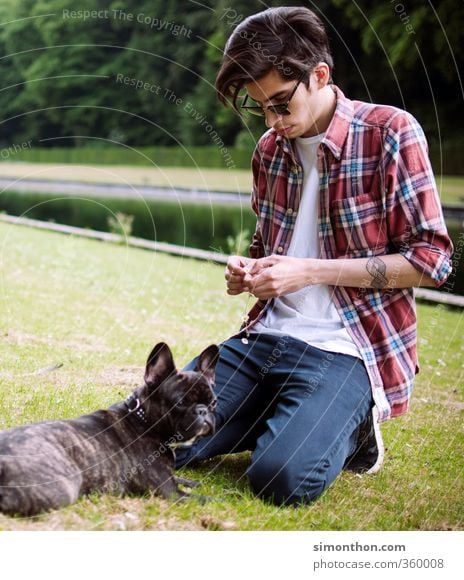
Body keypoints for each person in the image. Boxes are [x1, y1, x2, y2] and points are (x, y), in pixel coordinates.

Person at [174, 6, 453, 506]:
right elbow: (271, 248)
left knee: (281, 479)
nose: (274, 121)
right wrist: (250, 270)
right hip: (265, 336)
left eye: (281, 103)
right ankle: (280, 410)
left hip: (348, 348)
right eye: (261, 108)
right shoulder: (269, 150)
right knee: (153, 436)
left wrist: (309, 272)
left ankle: (353, 433)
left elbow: (432, 261)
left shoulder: (390, 132)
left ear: (319, 75)